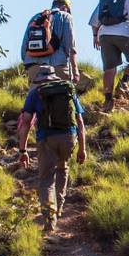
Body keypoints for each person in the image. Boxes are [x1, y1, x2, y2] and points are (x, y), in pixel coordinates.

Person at [13, 65, 87, 233]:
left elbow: (25, 122)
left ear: (39, 78)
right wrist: (82, 148)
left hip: (46, 138)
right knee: (62, 168)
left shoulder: (35, 93)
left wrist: (23, 151)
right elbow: (80, 121)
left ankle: (49, 218)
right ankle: (59, 206)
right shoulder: (68, 90)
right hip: (69, 137)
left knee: (46, 179)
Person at [20, 0, 78, 83]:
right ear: (64, 7)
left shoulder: (35, 18)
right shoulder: (66, 17)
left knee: (37, 95)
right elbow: (70, 48)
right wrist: (75, 71)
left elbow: (24, 47)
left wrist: (29, 63)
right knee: (60, 95)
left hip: (34, 68)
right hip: (58, 67)